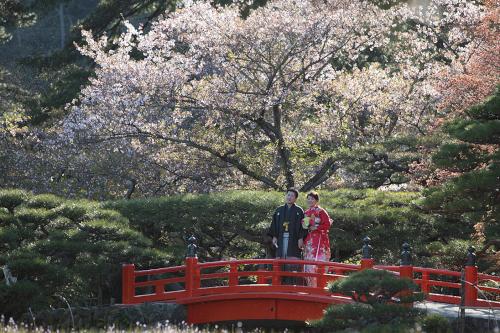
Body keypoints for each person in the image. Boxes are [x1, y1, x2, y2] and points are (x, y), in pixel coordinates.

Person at [267, 188, 307, 284]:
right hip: (281, 238)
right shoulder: (279, 210)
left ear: (295, 198)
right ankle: (279, 283)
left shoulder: (299, 211)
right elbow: (274, 224)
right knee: (280, 259)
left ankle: (292, 284)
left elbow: (303, 226)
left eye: (292, 196)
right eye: (288, 195)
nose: (289, 197)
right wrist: (275, 236)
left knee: (292, 260)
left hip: (294, 239)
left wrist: (301, 238)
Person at [302, 191, 332, 287]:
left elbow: (327, 224)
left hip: (320, 239)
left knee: (319, 262)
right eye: (308, 198)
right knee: (308, 263)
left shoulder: (321, 211)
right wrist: (304, 225)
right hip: (310, 239)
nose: (310, 200)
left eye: (312, 199)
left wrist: (317, 227)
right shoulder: (306, 212)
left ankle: (320, 286)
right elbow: (304, 226)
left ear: (316, 200)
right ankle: (311, 286)